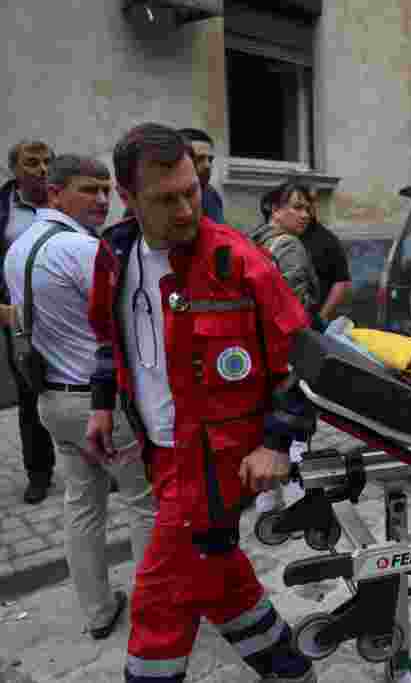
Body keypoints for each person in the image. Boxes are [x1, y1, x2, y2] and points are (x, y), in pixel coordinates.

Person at [84, 123, 318, 683]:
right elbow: (107, 339)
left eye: (192, 190)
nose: (188, 208)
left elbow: (305, 360)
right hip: (160, 451)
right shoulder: (115, 256)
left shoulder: (239, 263)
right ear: (128, 198)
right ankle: (291, 673)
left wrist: (277, 442)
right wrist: (99, 406)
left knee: (160, 603)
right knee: (222, 581)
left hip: (219, 460)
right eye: (167, 199)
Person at [2, 154, 155, 640]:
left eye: (106, 190)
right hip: (101, 404)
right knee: (143, 503)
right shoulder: (82, 250)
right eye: (89, 190)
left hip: (52, 401)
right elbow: (131, 323)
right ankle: (157, 611)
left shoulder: (17, 249)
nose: (103, 200)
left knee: (82, 505)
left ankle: (97, 610)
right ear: (54, 194)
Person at [1, 139, 58, 503]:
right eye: (32, 162)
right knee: (30, 393)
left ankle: (102, 462)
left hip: (68, 313)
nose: (41, 169)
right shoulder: (3, 209)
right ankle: (39, 473)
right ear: (14, 170)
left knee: (87, 388)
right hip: (20, 316)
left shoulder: (65, 199)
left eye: (46, 162)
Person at [251, 181, 323, 329]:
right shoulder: (290, 244)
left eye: (307, 210)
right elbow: (296, 307)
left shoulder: (254, 240)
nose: (305, 215)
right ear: (275, 209)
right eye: (297, 208)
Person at [298, 201, 351, 325]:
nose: (304, 213)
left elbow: (341, 281)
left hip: (313, 319)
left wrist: (322, 316)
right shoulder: (285, 235)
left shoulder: (327, 240)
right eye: (298, 207)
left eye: (307, 207)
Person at [178, 127, 225, 224]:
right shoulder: (165, 195)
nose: (208, 165)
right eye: (199, 158)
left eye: (210, 159)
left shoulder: (210, 194)